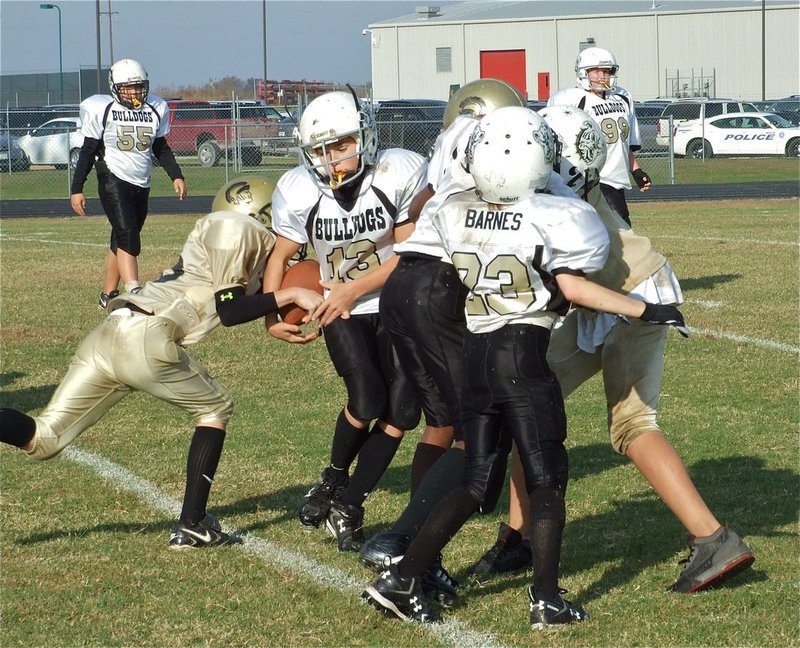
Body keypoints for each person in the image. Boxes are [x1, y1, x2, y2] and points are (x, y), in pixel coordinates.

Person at [362, 106, 689, 627]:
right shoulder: (563, 214)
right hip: (521, 355)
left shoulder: (453, 209)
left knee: (474, 480)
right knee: (546, 479)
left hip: (477, 354)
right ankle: (545, 598)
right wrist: (646, 308)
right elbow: (573, 288)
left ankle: (401, 576)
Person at [467, 105, 755, 594]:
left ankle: (713, 539)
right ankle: (518, 538)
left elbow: (565, 280)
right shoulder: (560, 185)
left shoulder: (559, 193)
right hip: (604, 301)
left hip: (634, 295)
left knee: (632, 425)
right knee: (525, 404)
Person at [0, 176, 323, 549]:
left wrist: (276, 309)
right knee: (215, 406)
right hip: (146, 338)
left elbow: (245, 299)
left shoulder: (226, 229)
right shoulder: (238, 228)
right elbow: (231, 310)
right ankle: (192, 524)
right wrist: (294, 291)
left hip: (109, 332)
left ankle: (194, 523)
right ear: (262, 212)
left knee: (44, 439)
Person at [262, 90, 427, 553]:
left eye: (341, 145)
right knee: (367, 398)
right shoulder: (298, 190)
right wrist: (271, 315)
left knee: (404, 411)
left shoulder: (397, 172)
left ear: (365, 136)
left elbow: (411, 252)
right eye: (320, 150)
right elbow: (281, 258)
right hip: (340, 306)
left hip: (395, 300)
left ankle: (349, 503)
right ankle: (333, 477)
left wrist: (356, 287)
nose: (332, 159)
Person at [70, 58, 187, 309]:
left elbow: (160, 146)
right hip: (112, 177)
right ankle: (134, 290)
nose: (134, 92)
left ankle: (107, 295)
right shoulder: (103, 108)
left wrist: (176, 174)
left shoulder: (155, 107)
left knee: (120, 239)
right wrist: (76, 188)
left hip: (141, 181)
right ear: (115, 87)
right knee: (129, 236)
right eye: (127, 87)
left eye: (138, 86)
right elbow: (88, 150)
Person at [548, 46, 650, 225]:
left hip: (616, 180)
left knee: (615, 235)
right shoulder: (570, 99)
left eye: (606, 71)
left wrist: (636, 170)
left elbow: (623, 142)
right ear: (583, 72)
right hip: (584, 180)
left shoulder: (622, 97)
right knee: (615, 234)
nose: (602, 76)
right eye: (596, 71)